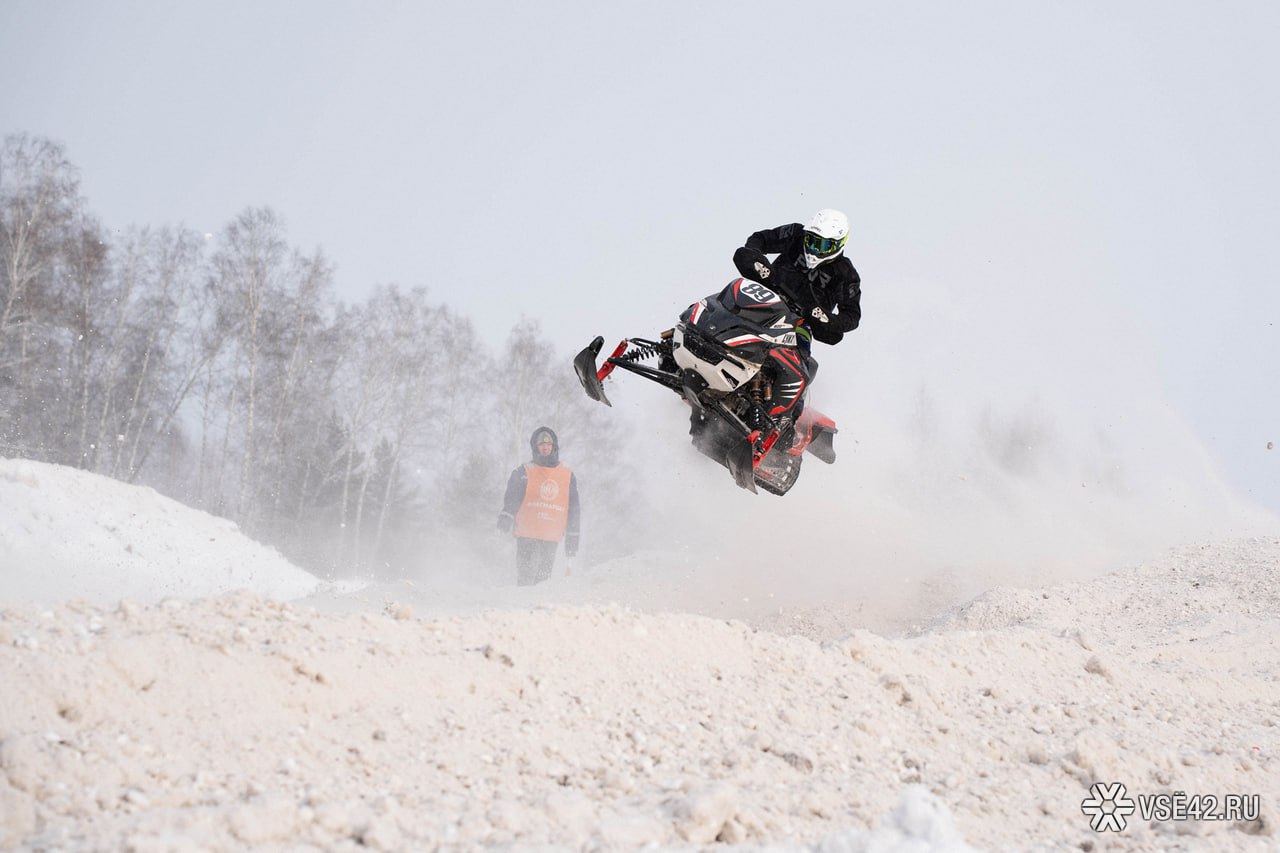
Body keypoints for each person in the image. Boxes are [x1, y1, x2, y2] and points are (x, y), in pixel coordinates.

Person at [730, 208, 862, 433]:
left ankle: (784, 424)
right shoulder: (795, 234)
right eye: (812, 241)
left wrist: (823, 317)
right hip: (765, 299)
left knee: (800, 361)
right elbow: (760, 239)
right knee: (728, 302)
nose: (814, 249)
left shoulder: (846, 273)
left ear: (838, 245)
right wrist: (758, 261)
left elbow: (852, 316)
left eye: (823, 246)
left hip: (800, 322)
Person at [496, 427, 581, 585]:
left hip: (551, 536)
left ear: (554, 446)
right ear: (535, 447)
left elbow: (574, 509)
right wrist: (506, 517)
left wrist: (573, 539)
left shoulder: (567, 475)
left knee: (543, 581)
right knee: (525, 577)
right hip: (527, 533)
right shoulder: (523, 472)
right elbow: (512, 499)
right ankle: (520, 606)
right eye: (541, 444)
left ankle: (538, 607)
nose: (545, 447)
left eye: (548, 444)